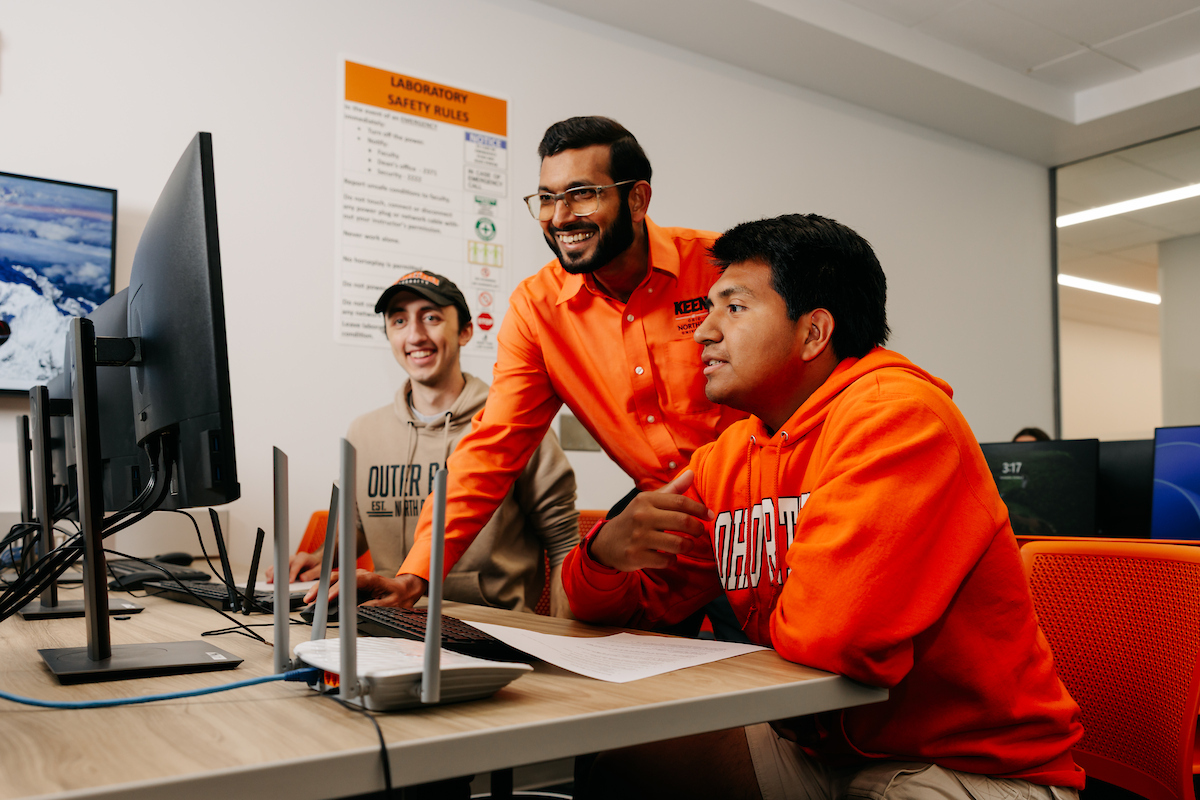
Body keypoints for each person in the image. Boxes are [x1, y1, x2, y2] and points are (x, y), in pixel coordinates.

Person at [565, 215, 1084, 799]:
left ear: (813, 333)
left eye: (733, 308)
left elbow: (836, 641)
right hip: (818, 748)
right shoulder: (730, 454)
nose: (703, 332)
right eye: (709, 309)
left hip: (966, 765)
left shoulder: (899, 418)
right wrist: (605, 556)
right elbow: (631, 616)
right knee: (619, 762)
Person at [347, 116, 747, 611]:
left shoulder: (723, 266)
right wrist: (415, 577)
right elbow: (492, 449)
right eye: (547, 198)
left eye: (581, 194)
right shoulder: (538, 308)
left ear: (637, 199)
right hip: (659, 525)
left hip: (764, 516)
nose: (559, 217)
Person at [281, 270, 580, 616]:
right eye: (398, 320)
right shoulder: (364, 431)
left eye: (432, 318)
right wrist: (318, 560)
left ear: (466, 331)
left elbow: (564, 546)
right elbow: (359, 526)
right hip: (390, 619)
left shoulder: (515, 425)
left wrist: (565, 644)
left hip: (491, 629)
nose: (415, 335)